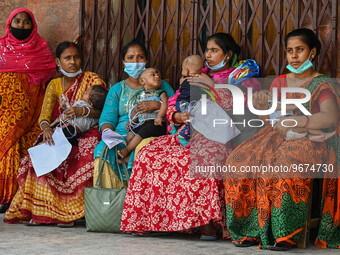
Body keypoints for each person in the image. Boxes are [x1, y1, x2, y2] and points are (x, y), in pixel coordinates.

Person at [120, 33, 261, 240]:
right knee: (147, 154)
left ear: (229, 54)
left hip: (218, 137)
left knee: (202, 160)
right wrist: (176, 115)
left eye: (215, 50)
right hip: (185, 133)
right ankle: (150, 221)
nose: (208, 55)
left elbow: (242, 108)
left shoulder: (242, 78)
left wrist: (212, 86)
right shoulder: (195, 74)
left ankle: (206, 224)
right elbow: (175, 101)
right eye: (207, 50)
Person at [224, 28, 340, 250]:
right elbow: (270, 118)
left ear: (313, 53)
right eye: (289, 51)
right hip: (274, 135)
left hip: (309, 139)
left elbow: (330, 116)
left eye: (300, 50)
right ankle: (250, 229)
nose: (294, 56)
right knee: (237, 161)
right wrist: (260, 106)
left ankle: (284, 233)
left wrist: (298, 122)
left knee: (284, 163)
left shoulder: (322, 84)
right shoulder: (279, 81)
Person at [4, 41, 106, 227]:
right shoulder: (54, 85)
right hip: (60, 129)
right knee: (40, 150)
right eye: (67, 58)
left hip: (87, 130)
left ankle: (69, 213)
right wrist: (47, 129)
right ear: (58, 62)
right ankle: (42, 211)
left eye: (76, 57)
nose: (73, 62)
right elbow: (44, 116)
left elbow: (105, 111)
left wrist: (83, 112)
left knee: (82, 151)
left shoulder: (92, 80)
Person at [93, 39, 174, 190]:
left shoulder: (161, 86)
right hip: (120, 133)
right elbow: (107, 117)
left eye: (140, 57)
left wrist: (158, 106)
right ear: (124, 63)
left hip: (151, 131)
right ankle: (110, 206)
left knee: (143, 149)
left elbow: (175, 110)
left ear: (146, 61)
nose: (135, 61)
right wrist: (108, 133)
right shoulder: (118, 89)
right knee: (102, 151)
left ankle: (137, 205)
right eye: (130, 58)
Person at [0, 8, 55, 213]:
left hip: (32, 110)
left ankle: (16, 197)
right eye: (17, 21)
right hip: (3, 108)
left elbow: (47, 81)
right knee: (6, 146)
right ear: (9, 24)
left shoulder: (42, 49)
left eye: (26, 22)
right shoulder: (0, 47)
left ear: (33, 26)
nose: (21, 26)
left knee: (26, 146)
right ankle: (4, 195)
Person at [118, 68, 168, 161]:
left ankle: (127, 150)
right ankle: (131, 157)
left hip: (155, 124)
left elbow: (165, 103)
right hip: (142, 123)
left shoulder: (160, 93)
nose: (157, 76)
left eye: (158, 76)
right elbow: (135, 110)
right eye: (153, 75)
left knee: (142, 133)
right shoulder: (139, 95)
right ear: (142, 81)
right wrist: (131, 121)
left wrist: (160, 116)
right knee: (130, 135)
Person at [35, 85, 108, 145]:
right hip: (75, 133)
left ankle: (33, 151)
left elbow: (70, 113)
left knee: (47, 137)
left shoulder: (82, 104)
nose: (84, 93)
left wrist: (67, 106)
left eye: (86, 93)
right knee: (52, 139)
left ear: (90, 103)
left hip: (69, 127)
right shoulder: (96, 115)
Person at [168, 55, 204, 148]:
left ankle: (173, 127)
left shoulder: (185, 80)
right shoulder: (200, 80)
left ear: (186, 71)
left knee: (187, 118)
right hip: (187, 104)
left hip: (179, 103)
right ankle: (182, 137)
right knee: (192, 119)